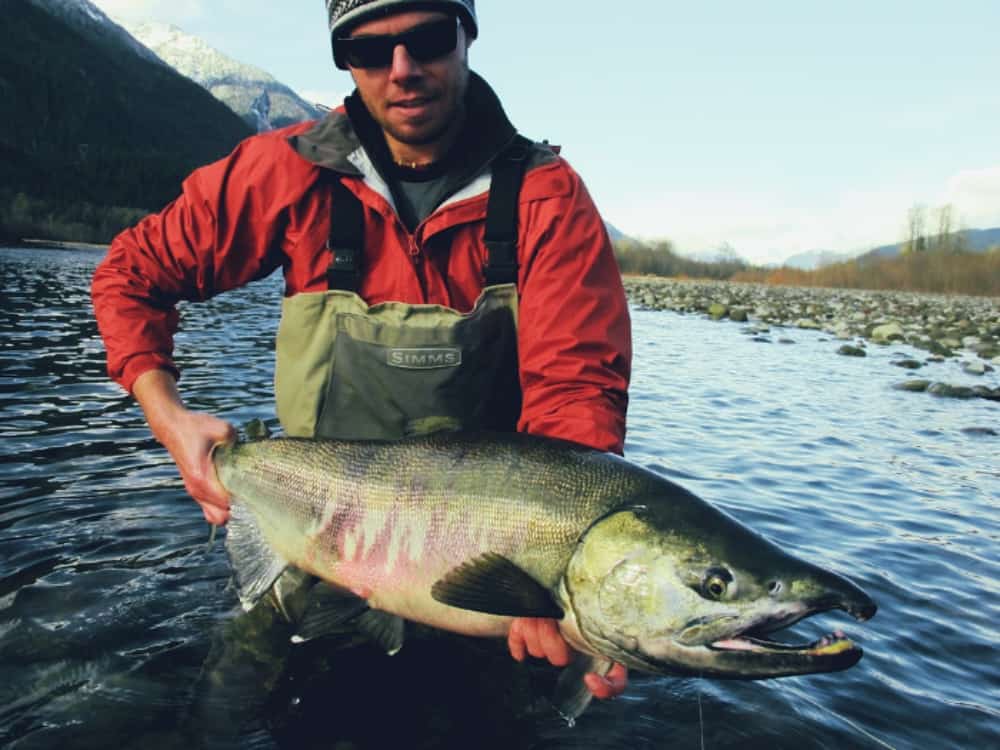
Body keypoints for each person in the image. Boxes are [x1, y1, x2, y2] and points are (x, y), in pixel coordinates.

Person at [91, 0, 631, 702]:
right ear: (344, 58)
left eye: (427, 39)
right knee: (224, 708)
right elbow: (130, 275)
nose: (402, 71)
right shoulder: (287, 173)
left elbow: (576, 397)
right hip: (310, 531)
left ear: (467, 33)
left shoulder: (546, 200)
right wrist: (168, 416)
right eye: (369, 50)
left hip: (489, 565)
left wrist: (559, 580)